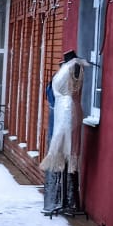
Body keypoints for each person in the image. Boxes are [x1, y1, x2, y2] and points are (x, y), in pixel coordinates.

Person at [39, 50, 85, 216]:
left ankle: (66, 201)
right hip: (58, 116)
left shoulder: (74, 69)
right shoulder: (62, 73)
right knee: (58, 157)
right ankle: (54, 200)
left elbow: (70, 95)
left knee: (66, 155)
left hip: (67, 116)